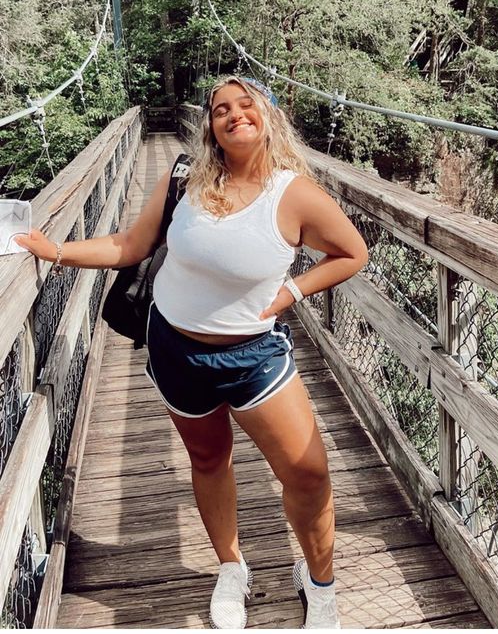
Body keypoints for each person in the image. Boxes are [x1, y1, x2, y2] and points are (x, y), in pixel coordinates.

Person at [15, 76, 368, 629]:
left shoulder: (293, 193)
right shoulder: (186, 178)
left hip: (254, 358)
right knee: (208, 461)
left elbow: (352, 252)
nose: (232, 115)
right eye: (219, 109)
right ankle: (232, 568)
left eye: (245, 105)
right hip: (175, 349)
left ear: (269, 117)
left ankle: (320, 589)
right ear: (210, 125)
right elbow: (130, 246)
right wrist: (54, 250)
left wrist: (291, 292)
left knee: (308, 474)